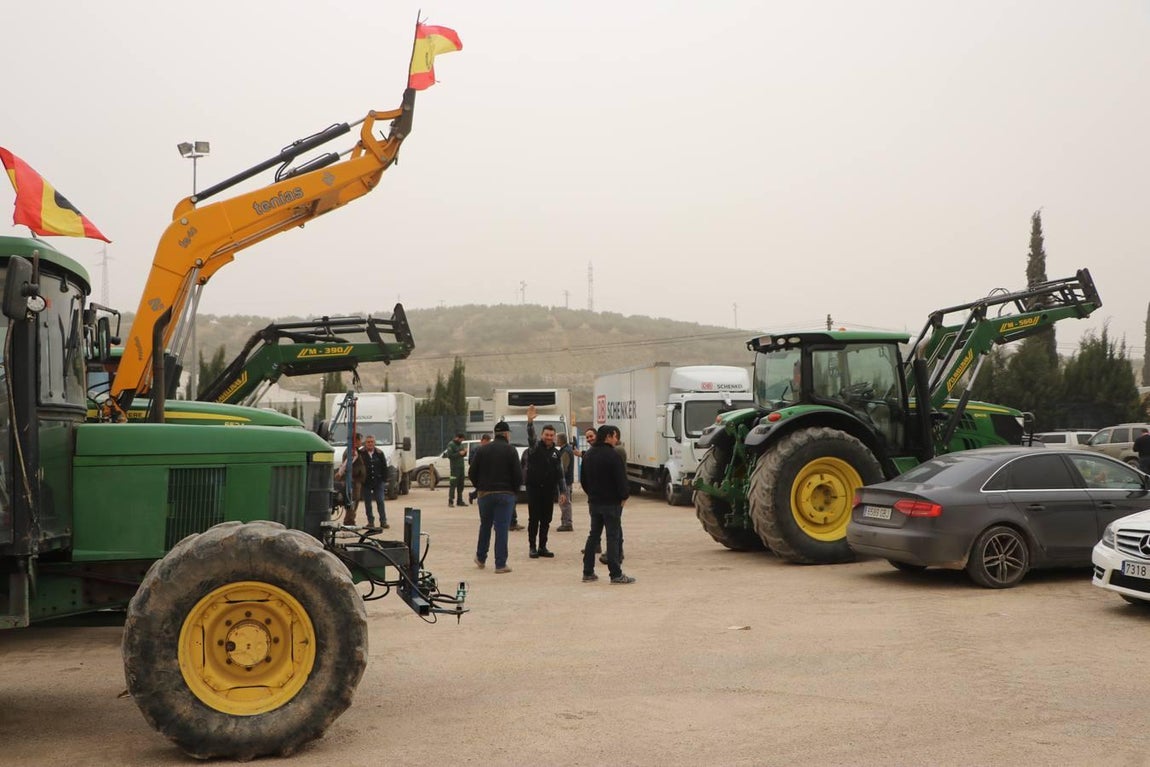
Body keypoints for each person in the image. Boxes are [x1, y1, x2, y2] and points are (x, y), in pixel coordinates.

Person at [581, 424, 635, 585]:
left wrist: (592, 494)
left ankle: (588, 571)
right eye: (615, 436)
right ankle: (615, 574)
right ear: (609, 436)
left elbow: (583, 481)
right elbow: (621, 479)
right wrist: (624, 496)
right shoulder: (613, 455)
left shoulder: (588, 455)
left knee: (593, 536)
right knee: (613, 537)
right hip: (611, 503)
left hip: (594, 502)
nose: (616, 439)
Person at [469, 420, 522, 574]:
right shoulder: (511, 450)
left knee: (485, 525)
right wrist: (514, 491)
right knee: (501, 528)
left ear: (494, 434)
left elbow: (472, 473)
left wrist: (480, 487)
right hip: (505, 495)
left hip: (485, 494)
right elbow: (518, 475)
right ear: (506, 434)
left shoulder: (482, 450)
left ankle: (480, 557)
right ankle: (500, 564)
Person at [523, 405, 568, 558]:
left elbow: (560, 474)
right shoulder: (535, 447)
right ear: (542, 435)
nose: (549, 437)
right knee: (534, 518)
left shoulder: (556, 453)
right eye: (547, 435)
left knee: (546, 519)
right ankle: (532, 547)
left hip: (549, 491)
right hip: (534, 489)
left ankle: (543, 546)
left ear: (555, 437)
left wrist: (563, 492)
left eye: (551, 435)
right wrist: (530, 421)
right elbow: (531, 437)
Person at [359, 434, 390, 530]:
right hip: (366, 482)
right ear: (365, 443)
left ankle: (383, 521)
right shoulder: (361, 453)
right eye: (368, 442)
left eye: (372, 442)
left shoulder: (380, 453)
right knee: (367, 503)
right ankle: (370, 522)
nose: (370, 444)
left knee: (380, 501)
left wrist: (385, 480)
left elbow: (384, 467)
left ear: (374, 443)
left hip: (378, 481)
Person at [336, 433, 366, 525]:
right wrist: (339, 473)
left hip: (355, 479)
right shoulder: (353, 452)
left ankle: (350, 519)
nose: (361, 442)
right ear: (356, 441)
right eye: (360, 440)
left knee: (353, 500)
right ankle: (349, 520)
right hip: (353, 480)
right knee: (353, 500)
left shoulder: (353, 450)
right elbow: (346, 464)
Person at [555, 433, 575, 531]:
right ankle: (565, 521)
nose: (555, 440)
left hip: (565, 481)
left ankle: (567, 523)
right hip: (566, 481)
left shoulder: (566, 451)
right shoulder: (565, 450)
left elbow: (563, 468)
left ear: (561, 440)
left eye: (557, 438)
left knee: (565, 502)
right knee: (563, 502)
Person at [443, 432, 469, 507]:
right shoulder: (451, 445)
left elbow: (462, 454)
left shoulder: (460, 444)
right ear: (457, 438)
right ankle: (450, 501)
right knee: (453, 484)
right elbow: (450, 455)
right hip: (454, 469)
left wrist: (464, 452)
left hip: (461, 468)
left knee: (461, 485)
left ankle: (460, 500)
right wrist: (459, 454)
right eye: (461, 439)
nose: (461, 441)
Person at [468, 433, 490, 503]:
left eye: (488, 441)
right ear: (482, 441)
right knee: (481, 486)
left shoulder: (489, 450)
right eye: (486, 441)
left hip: (485, 471)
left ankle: (473, 496)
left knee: (482, 486)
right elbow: (472, 461)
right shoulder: (476, 450)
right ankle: (474, 496)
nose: (487, 443)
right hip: (478, 471)